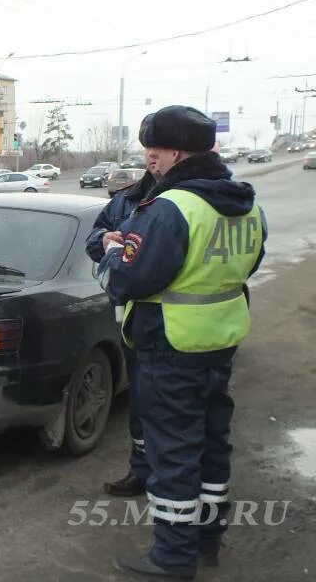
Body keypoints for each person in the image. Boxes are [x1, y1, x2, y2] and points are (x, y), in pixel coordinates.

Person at [97, 105, 266, 579]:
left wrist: (111, 254)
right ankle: (208, 540)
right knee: (213, 441)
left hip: (169, 344)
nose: (149, 158)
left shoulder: (172, 208)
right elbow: (248, 266)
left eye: (153, 149)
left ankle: (172, 557)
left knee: (172, 450)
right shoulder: (248, 205)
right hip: (221, 340)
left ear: (174, 153)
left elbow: (127, 280)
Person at [85, 167, 159, 497]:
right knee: (142, 400)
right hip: (137, 321)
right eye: (149, 149)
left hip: (181, 326)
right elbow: (95, 237)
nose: (153, 156)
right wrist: (104, 241)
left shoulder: (186, 203)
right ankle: (142, 471)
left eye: (162, 147)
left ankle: (176, 480)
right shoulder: (127, 198)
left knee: (178, 409)